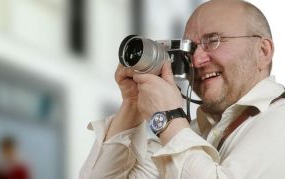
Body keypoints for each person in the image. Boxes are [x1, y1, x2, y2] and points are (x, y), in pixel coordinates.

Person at [80, 0, 285, 178]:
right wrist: (132, 102)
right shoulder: (190, 133)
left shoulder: (279, 120)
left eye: (213, 41)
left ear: (263, 51)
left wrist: (168, 118)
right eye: (191, 48)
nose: (195, 61)